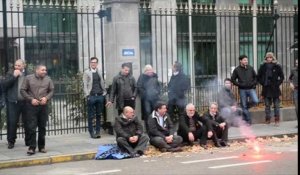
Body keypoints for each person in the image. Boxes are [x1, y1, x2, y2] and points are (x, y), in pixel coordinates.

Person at [20, 65, 54, 155]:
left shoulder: (48, 79)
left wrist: (46, 98)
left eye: (45, 70)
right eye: (42, 70)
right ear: (37, 70)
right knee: (32, 127)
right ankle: (32, 147)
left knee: (42, 127)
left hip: (43, 106)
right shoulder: (28, 78)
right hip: (31, 106)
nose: (44, 71)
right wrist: (31, 99)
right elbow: (22, 90)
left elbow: (52, 90)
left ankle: (41, 147)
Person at [2, 59, 28, 149]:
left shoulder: (28, 74)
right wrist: (14, 76)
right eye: (15, 65)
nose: (16, 67)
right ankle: (11, 141)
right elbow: (4, 85)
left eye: (19, 65)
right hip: (13, 102)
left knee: (27, 122)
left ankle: (28, 140)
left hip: (26, 102)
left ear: (24, 66)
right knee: (12, 122)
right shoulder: (10, 73)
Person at [83, 57, 107, 139]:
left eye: (95, 62)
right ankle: (91, 132)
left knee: (99, 115)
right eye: (92, 62)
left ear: (97, 63)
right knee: (91, 115)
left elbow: (102, 83)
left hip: (100, 96)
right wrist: (87, 95)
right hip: (91, 96)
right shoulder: (86, 73)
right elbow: (85, 85)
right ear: (90, 63)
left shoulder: (99, 72)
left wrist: (104, 93)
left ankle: (97, 132)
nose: (94, 63)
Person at [257, 52, 284, 126]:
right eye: (268, 57)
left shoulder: (277, 66)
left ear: (273, 58)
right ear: (266, 58)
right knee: (267, 105)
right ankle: (268, 119)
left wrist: (277, 83)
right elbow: (258, 76)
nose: (269, 59)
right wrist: (263, 83)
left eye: (270, 57)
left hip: (275, 89)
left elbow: (282, 77)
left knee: (276, 105)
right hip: (266, 88)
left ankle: (277, 120)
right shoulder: (263, 66)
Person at [231, 55, 259, 125]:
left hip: (251, 88)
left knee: (255, 101)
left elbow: (256, 77)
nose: (246, 61)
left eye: (246, 60)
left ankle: (244, 107)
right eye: (244, 60)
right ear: (240, 61)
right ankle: (248, 120)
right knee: (244, 105)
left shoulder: (250, 68)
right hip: (242, 90)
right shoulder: (237, 69)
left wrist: (253, 83)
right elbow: (233, 79)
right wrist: (239, 84)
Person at [137, 65, 161, 132]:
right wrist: (145, 94)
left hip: (155, 98)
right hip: (146, 99)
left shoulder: (155, 77)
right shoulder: (142, 77)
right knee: (147, 113)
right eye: (148, 70)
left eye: (151, 70)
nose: (150, 71)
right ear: (145, 71)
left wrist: (157, 92)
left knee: (155, 113)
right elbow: (139, 87)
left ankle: (156, 128)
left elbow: (158, 86)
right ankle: (148, 129)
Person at [289, 59, 298, 127]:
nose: (297, 64)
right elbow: (290, 78)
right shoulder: (293, 70)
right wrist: (291, 83)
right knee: (296, 107)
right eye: (296, 63)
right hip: (296, 90)